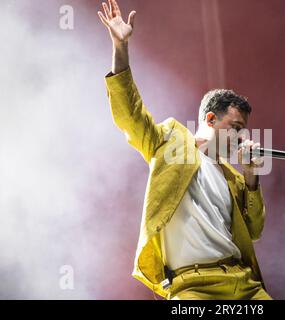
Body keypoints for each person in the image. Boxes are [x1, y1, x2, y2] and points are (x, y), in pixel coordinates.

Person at [98, 0, 272, 300]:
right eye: (235, 127)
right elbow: (130, 114)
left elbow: (254, 230)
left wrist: (251, 175)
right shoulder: (170, 143)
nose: (241, 136)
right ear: (210, 119)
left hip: (242, 283)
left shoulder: (232, 177)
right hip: (192, 288)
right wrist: (120, 47)